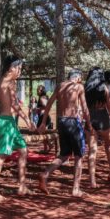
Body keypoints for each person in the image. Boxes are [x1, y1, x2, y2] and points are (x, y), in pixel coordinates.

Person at [0, 56, 36, 202]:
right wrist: (27, 120)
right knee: (1, 155)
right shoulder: (10, 82)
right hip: (6, 122)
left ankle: (22, 186)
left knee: (23, 150)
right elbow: (15, 105)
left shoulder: (2, 81)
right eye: (18, 68)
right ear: (11, 68)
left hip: (8, 122)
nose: (19, 71)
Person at [38, 69, 92, 198]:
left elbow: (49, 104)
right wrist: (90, 124)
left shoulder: (60, 86)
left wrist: (43, 122)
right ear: (78, 78)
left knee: (64, 154)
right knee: (79, 155)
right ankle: (75, 189)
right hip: (73, 122)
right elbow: (84, 107)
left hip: (61, 122)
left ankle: (45, 174)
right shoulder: (79, 86)